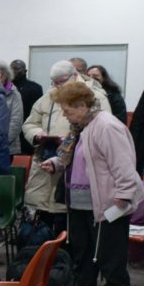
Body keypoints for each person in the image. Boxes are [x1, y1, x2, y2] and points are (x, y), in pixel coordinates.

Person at [52, 82, 143, 286]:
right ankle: (86, 283)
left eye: (68, 110)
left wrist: (123, 194)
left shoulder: (106, 126)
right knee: (83, 245)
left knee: (110, 249)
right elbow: (76, 156)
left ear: (82, 105)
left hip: (109, 199)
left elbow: (123, 163)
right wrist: (54, 163)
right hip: (80, 198)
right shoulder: (80, 126)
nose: (65, 115)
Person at [22, 61, 110, 233]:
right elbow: (30, 123)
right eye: (54, 82)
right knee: (43, 218)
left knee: (69, 221)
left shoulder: (95, 97)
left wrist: (72, 143)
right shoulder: (48, 97)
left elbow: (99, 132)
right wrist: (37, 134)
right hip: (45, 161)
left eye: (61, 81)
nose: (57, 86)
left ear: (74, 76)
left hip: (75, 165)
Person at [0, 60, 23, 155]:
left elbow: (16, 123)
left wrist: (0, 144)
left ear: (4, 75)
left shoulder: (14, 94)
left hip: (8, 148)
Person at [11, 59, 44, 154]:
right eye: (11, 69)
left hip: (26, 130)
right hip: (10, 131)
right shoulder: (6, 88)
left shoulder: (34, 88)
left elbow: (36, 113)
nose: (14, 71)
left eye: (17, 69)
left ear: (25, 71)